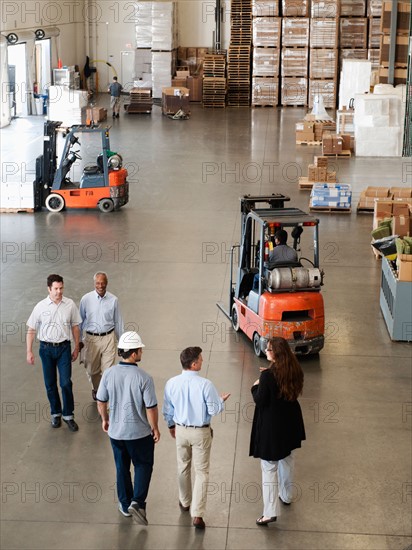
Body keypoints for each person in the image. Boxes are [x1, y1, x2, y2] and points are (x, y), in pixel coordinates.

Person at [163, 346, 230, 530]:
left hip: (180, 431)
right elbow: (213, 410)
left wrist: (171, 426)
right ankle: (197, 514)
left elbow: (168, 410)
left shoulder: (171, 383)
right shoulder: (206, 385)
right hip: (201, 433)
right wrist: (221, 401)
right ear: (193, 364)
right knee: (201, 472)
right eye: (200, 359)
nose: (202, 361)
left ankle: (185, 502)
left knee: (182, 466)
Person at [96, 331, 160, 524]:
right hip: (139, 434)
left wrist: (105, 419)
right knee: (143, 465)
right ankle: (138, 502)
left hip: (116, 433)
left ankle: (125, 505)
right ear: (133, 353)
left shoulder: (108, 373)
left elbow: (100, 401)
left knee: (121, 467)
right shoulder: (144, 378)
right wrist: (155, 428)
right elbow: (151, 408)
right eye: (140, 349)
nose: (141, 351)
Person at [249, 337, 306, 526]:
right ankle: (287, 495)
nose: (266, 351)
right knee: (287, 459)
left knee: (269, 467)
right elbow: (283, 386)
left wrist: (256, 385)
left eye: (269, 349)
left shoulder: (267, 377)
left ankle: (269, 512)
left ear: (276, 353)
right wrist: (269, 375)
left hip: (272, 428)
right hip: (289, 424)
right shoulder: (293, 369)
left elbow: (260, 400)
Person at [26, 274, 81, 432]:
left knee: (65, 383)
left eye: (61, 288)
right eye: (55, 289)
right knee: (50, 384)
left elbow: (75, 327)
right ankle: (55, 413)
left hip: (64, 348)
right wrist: (29, 351)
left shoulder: (69, 304)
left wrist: (77, 347)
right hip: (46, 349)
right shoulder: (40, 306)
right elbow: (31, 330)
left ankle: (68, 415)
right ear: (49, 289)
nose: (59, 291)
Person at [79, 272, 124, 401]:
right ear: (94, 284)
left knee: (108, 372)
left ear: (107, 283)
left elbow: (118, 322)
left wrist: (121, 343)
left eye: (103, 282)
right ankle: (96, 388)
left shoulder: (113, 300)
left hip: (108, 338)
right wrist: (78, 341)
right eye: (98, 283)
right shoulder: (86, 299)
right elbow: (80, 321)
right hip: (90, 340)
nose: (100, 285)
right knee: (92, 371)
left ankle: (104, 399)